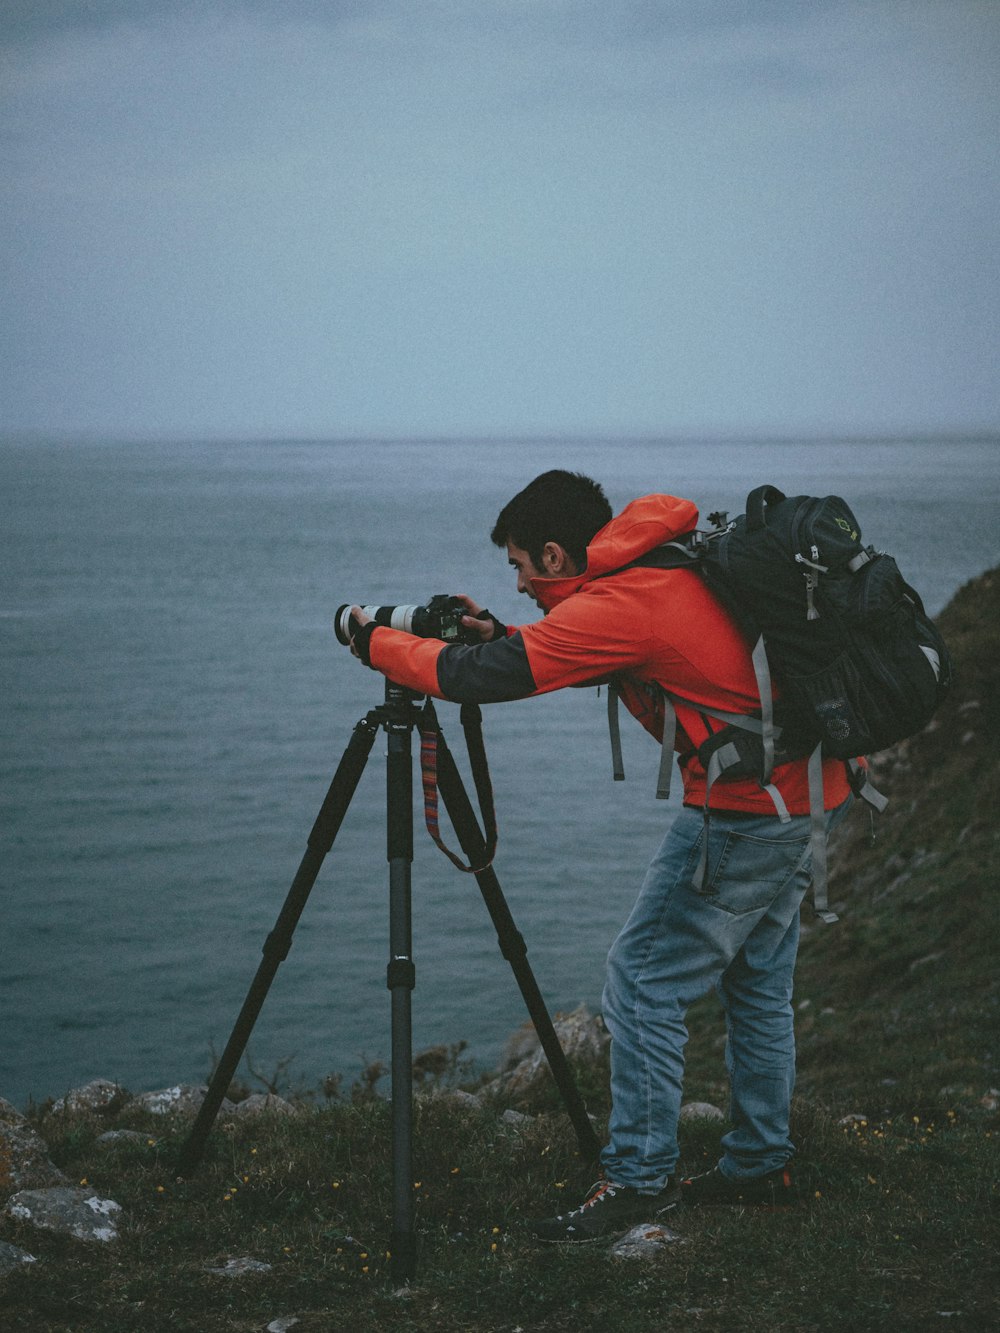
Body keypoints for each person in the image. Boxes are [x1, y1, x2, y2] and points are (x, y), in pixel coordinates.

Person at [347, 469, 852, 1243]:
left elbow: (475, 681)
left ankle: (640, 1179)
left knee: (642, 980)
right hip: (804, 791)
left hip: (747, 814)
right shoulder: (656, 563)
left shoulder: (621, 604)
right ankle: (759, 1163)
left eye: (520, 565)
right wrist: (502, 635)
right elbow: (550, 647)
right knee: (755, 983)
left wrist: (371, 639)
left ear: (554, 553)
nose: (515, 582)